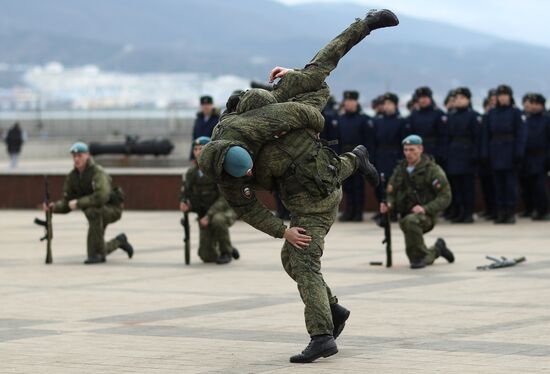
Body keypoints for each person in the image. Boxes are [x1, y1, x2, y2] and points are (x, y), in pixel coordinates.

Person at [199, 9, 398, 363]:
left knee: (304, 262)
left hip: (318, 189)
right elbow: (246, 208)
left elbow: (324, 67)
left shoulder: (277, 104)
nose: (248, 178)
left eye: (249, 172)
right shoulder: (225, 168)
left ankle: (322, 337)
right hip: (301, 193)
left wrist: (365, 25)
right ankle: (332, 310)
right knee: (290, 257)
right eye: (242, 175)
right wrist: (281, 230)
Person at [44, 142, 133, 264]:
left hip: (112, 209)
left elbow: (102, 196)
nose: (76, 159)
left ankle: (94, 255)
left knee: (92, 212)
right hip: (96, 211)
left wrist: (79, 202)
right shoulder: (72, 177)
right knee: (100, 247)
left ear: (87, 155)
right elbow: (68, 202)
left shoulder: (97, 172)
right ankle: (119, 241)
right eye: (74, 156)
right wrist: (54, 207)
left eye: (79, 155)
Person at [380, 135, 455, 269]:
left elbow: (445, 196)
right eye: (406, 150)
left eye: (412, 149)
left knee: (411, 222)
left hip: (426, 216)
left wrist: (425, 208)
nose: (408, 153)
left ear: (420, 149)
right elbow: (391, 192)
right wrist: (388, 204)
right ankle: (438, 249)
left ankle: (419, 258)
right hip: (405, 216)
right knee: (408, 221)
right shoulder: (400, 169)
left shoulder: (432, 170)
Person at [180, 136, 239, 264]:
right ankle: (227, 246)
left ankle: (226, 252)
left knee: (218, 220)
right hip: (205, 214)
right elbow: (186, 194)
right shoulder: (191, 173)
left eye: (201, 148)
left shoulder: (218, 171)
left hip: (224, 210)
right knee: (206, 256)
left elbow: (224, 198)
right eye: (195, 149)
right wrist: (186, 204)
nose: (197, 152)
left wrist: (209, 215)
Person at [481, 84, 527, 224]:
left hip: (510, 151)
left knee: (510, 185)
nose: (502, 98)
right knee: (498, 185)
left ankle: (510, 212)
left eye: (505, 95)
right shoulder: (491, 113)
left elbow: (521, 135)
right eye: (500, 96)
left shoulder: (515, 112)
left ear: (510, 97)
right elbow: (486, 135)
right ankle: (501, 212)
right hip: (495, 152)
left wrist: (518, 152)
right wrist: (485, 153)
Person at [445, 87, 481, 223]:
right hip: (454, 153)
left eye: (461, 98)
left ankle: (468, 212)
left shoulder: (473, 116)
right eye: (456, 99)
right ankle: (459, 211)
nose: (458, 101)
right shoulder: (451, 116)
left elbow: (477, 138)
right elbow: (447, 137)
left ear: (468, 100)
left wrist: (476, 155)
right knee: (456, 186)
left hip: (467, 153)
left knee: (468, 186)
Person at [338, 90, 371, 221]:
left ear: (356, 102)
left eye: (352, 101)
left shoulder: (364, 120)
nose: (349, 103)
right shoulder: (340, 119)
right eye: (347, 101)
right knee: (347, 186)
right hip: (344, 155)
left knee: (358, 186)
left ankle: (358, 212)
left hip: (359, 156)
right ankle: (349, 211)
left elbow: (368, 140)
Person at [372, 92, 405, 207]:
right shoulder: (378, 121)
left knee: (394, 183)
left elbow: (403, 142)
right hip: (381, 156)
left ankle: (394, 208)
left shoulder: (401, 121)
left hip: (395, 156)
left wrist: (402, 158)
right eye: (385, 103)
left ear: (395, 105)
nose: (387, 106)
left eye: (390, 103)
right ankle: (382, 208)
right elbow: (373, 141)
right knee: (380, 184)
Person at [521, 94, 550, 220]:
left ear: (542, 105)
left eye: (536, 104)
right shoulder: (527, 119)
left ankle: (543, 211)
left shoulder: (547, 119)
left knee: (540, 187)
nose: (533, 106)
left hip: (542, 157)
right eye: (531, 104)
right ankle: (532, 209)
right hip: (528, 158)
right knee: (529, 186)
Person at [404, 87, 447, 168]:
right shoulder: (413, 115)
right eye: (421, 98)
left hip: (434, 150)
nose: (423, 100)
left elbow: (443, 135)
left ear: (430, 98)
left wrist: (441, 153)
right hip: (417, 151)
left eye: (425, 97)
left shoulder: (438, 114)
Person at [190, 95, 220, 160]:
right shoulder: (198, 119)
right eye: (203, 105)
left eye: (208, 104)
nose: (206, 107)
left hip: (211, 154)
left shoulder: (218, 119)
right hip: (198, 154)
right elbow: (194, 138)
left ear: (212, 105)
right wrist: (192, 156)